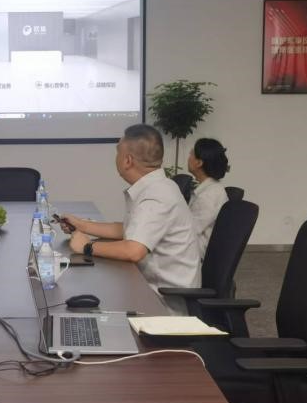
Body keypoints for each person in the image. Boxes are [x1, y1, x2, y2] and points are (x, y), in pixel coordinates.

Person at [63, 124, 199, 314]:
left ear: (127, 160)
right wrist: (82, 225)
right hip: (145, 287)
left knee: (85, 301)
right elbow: (128, 229)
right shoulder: (157, 186)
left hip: (163, 305)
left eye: (118, 151)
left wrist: (87, 247)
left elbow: (133, 250)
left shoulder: (156, 196)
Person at [187, 137, 230, 258]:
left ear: (199, 163)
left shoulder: (209, 195)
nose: (189, 157)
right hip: (194, 248)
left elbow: (189, 231)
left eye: (191, 154)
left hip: (196, 254)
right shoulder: (210, 188)